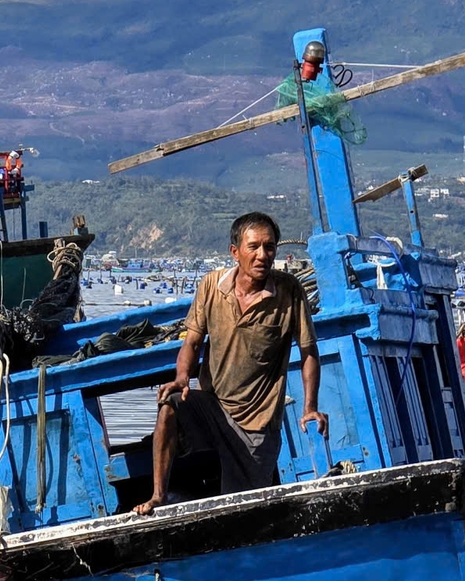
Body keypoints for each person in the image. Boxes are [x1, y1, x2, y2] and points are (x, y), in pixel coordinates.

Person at [135, 211, 325, 514]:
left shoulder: (289, 291)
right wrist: (183, 377)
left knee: (241, 512)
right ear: (235, 252)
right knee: (169, 402)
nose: (263, 255)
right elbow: (192, 341)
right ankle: (158, 495)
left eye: (270, 247)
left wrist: (310, 407)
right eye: (254, 247)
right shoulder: (212, 285)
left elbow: (309, 352)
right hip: (214, 407)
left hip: (258, 424)